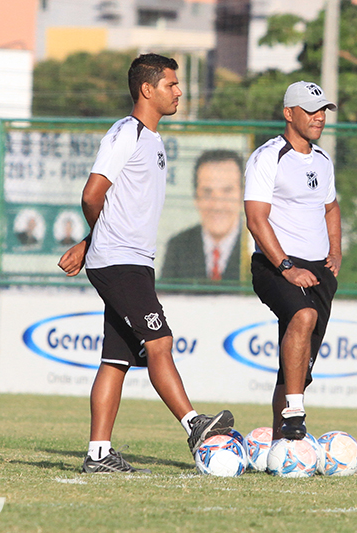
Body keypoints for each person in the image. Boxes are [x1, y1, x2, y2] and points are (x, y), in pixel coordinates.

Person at [58, 53, 234, 474]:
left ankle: (98, 455)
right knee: (160, 342)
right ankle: (195, 425)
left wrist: (88, 242)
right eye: (171, 84)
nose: (178, 91)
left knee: (116, 360)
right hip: (121, 261)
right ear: (147, 89)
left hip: (125, 259)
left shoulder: (152, 139)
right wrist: (99, 239)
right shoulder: (128, 133)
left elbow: (116, 206)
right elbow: (92, 194)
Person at [243, 81, 342, 441]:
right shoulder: (268, 156)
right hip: (276, 265)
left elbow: (331, 207)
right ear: (289, 114)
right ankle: (295, 414)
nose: (319, 118)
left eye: (323, 111)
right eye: (310, 110)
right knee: (303, 315)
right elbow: (256, 219)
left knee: (296, 370)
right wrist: (286, 266)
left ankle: (280, 441)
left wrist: (336, 251)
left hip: (318, 271)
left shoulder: (323, 159)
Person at [162, 150, 244, 281]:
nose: (217, 205)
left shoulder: (257, 247)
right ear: (196, 198)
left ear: (243, 195)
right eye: (207, 192)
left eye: (227, 191)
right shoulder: (178, 247)